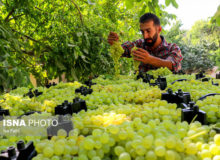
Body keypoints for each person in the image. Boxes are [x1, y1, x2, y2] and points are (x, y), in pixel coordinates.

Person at [107, 13, 183, 72]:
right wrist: (115, 44)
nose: (145, 36)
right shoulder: (139, 44)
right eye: (142, 32)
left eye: (148, 31)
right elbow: (123, 50)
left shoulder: (172, 48)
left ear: (159, 29)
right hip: (140, 90)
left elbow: (173, 64)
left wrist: (150, 59)